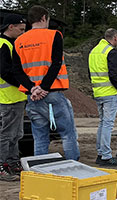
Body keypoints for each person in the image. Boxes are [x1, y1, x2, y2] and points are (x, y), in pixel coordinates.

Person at [12, 5, 80, 161]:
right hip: (51, 93)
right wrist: (43, 88)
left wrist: (33, 89)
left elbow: (17, 71)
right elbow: (55, 64)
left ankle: (40, 170)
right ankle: (74, 167)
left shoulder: (19, 41)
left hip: (32, 97)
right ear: (43, 18)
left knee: (40, 136)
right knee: (68, 134)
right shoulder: (54, 36)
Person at [88, 28, 117, 166]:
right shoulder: (111, 52)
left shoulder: (94, 51)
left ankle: (101, 153)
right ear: (115, 38)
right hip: (110, 92)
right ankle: (106, 156)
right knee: (108, 124)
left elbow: (89, 73)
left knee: (103, 123)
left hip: (98, 92)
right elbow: (113, 73)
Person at [0, 14, 27, 181]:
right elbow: (5, 72)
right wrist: (23, 84)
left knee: (17, 134)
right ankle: (2, 165)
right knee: (7, 134)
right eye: (21, 29)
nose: (23, 33)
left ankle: (12, 162)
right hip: (8, 97)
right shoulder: (3, 45)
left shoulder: (11, 43)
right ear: (11, 26)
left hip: (16, 96)